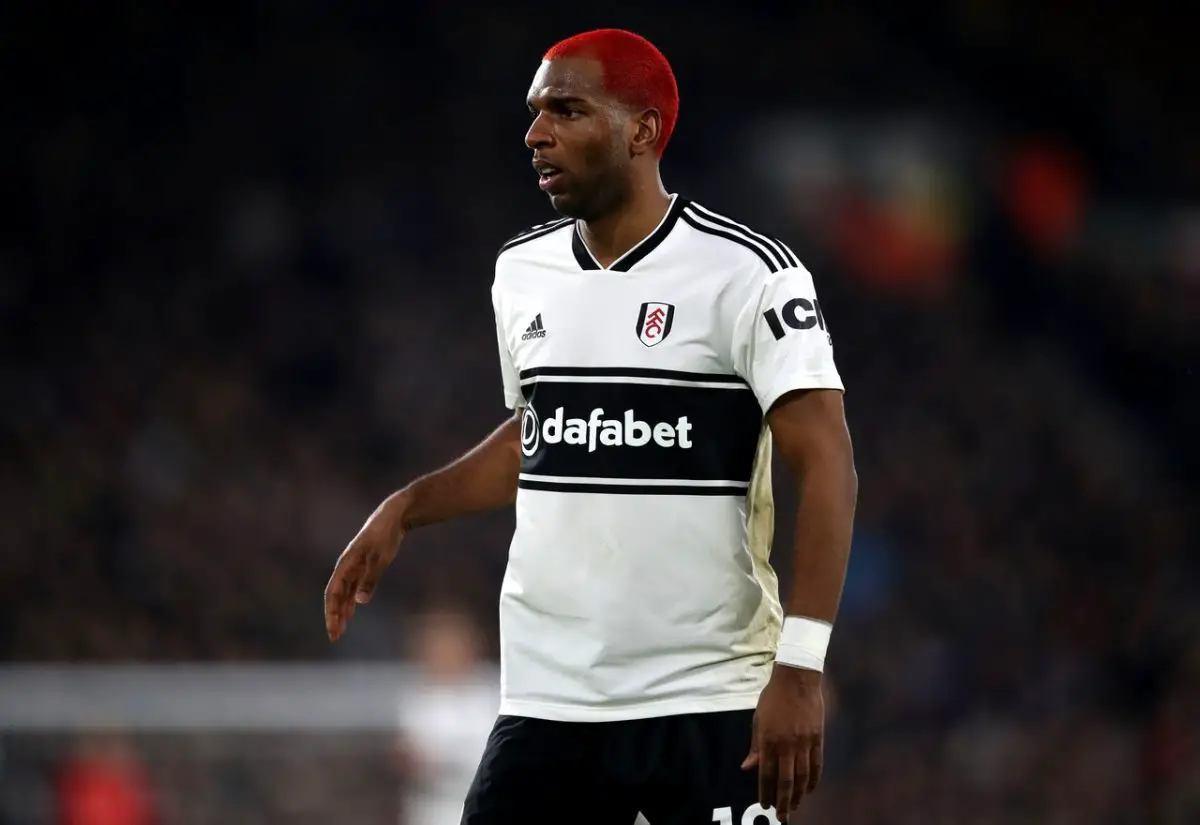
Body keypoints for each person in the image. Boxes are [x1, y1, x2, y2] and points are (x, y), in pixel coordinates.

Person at [325, 28, 857, 825]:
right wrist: (406, 506)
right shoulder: (522, 271)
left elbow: (827, 463)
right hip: (551, 698)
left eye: (567, 111)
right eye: (535, 113)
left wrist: (802, 666)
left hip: (706, 692)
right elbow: (540, 437)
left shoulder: (749, 275)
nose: (536, 134)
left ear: (642, 130)